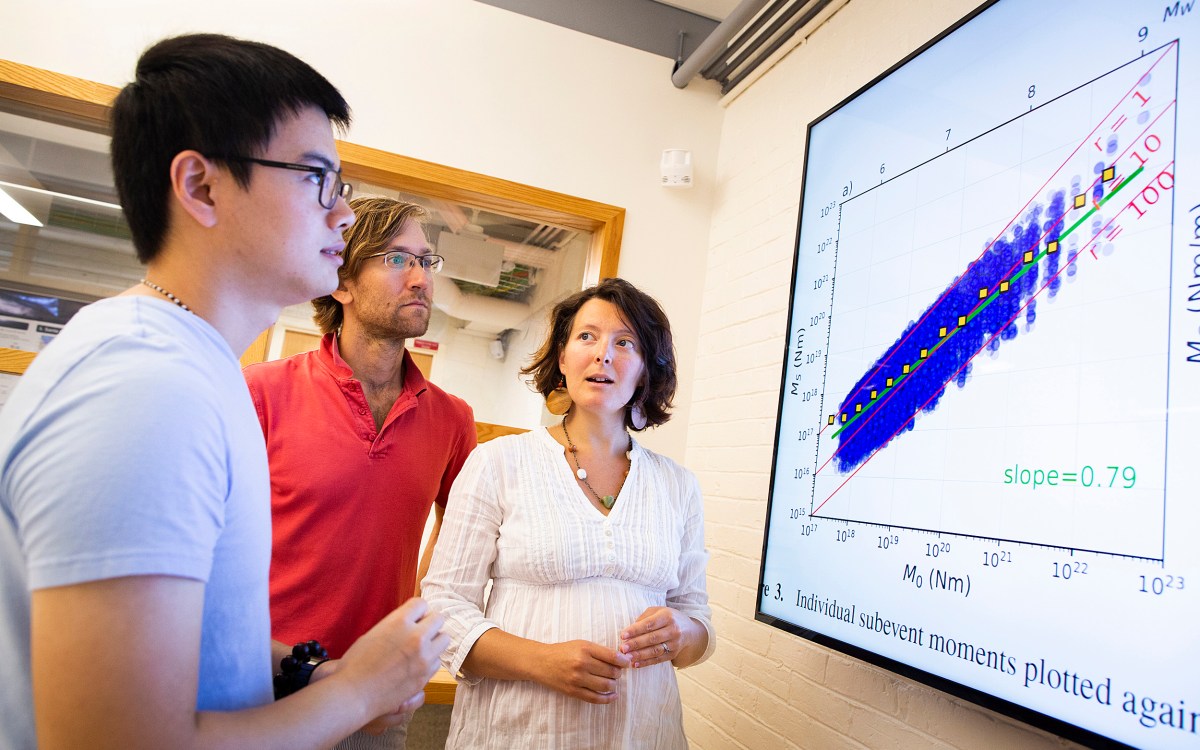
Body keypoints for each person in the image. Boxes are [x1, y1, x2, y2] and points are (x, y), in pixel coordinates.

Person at [0, 34, 447, 750]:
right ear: (201, 187)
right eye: (315, 179)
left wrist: (312, 676)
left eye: (343, 189)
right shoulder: (145, 388)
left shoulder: (196, 370)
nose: (341, 216)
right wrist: (361, 689)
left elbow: (200, 639)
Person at [422, 277, 716, 748]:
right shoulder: (499, 461)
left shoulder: (677, 485)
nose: (604, 354)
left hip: (644, 734)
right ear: (562, 358)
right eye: (587, 336)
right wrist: (541, 660)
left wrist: (681, 632)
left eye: (625, 343)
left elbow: (696, 622)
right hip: (517, 732)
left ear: (644, 370)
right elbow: (441, 607)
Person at [244, 196, 476, 749]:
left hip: (379, 701)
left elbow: (464, 537)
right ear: (341, 281)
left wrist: (417, 613)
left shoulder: (452, 418)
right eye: (398, 259)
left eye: (427, 260)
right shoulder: (261, 393)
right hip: (264, 684)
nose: (421, 278)